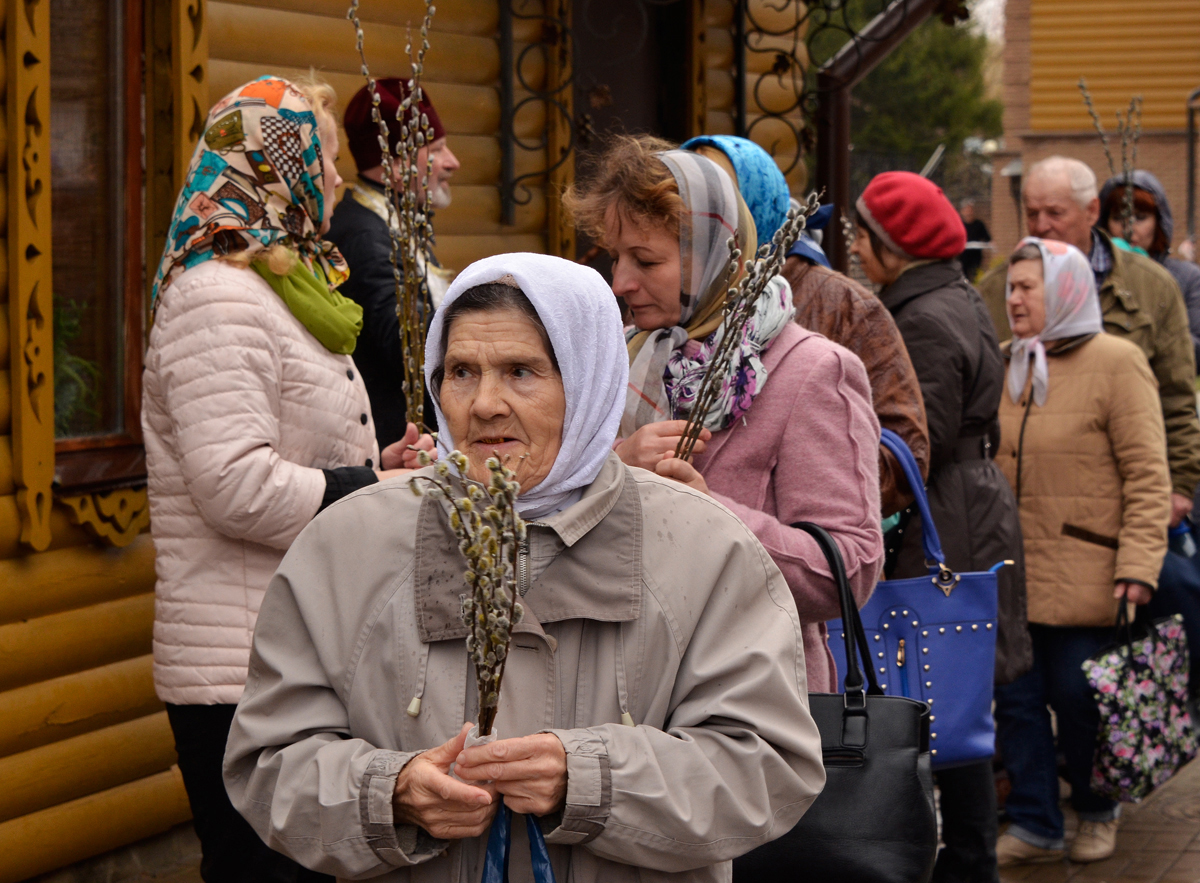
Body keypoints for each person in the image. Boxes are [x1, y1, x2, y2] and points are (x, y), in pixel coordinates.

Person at [223, 252, 827, 882]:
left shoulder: (703, 550)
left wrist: (588, 778)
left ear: (591, 378)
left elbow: (768, 764)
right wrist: (388, 792)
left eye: (521, 372)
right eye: (461, 371)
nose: (484, 404)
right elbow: (270, 763)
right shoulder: (348, 546)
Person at [143, 76, 432, 883]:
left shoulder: (276, 284)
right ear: (281, 165)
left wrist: (381, 468)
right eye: (326, 159)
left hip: (291, 646)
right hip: (236, 668)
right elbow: (232, 484)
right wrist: (364, 491)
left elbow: (290, 451)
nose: (336, 182)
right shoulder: (218, 298)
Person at [565, 135, 883, 693]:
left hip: (753, 702)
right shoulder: (623, 354)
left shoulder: (812, 371)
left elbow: (850, 570)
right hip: (619, 688)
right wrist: (615, 465)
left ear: (715, 254)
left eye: (646, 260)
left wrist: (709, 514)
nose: (620, 282)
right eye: (615, 257)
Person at [851, 170, 1029, 883]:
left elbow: (915, 441)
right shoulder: (956, 295)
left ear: (893, 247)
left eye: (862, 237)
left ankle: (967, 863)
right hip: (974, 499)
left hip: (947, 513)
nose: (855, 250)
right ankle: (971, 857)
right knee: (960, 695)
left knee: (943, 694)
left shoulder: (918, 318)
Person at [993, 238, 1170, 866]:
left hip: (1089, 573)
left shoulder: (1118, 361)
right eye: (1010, 287)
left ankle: (1098, 807)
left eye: (1026, 288)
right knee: (1015, 701)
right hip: (1013, 574)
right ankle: (1037, 822)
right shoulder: (1009, 362)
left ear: (1065, 291)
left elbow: (1149, 474)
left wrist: (1138, 567)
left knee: (1081, 697)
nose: (1012, 298)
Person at [679, 136, 931, 517]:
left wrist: (788, 476)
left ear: (754, 202)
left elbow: (905, 453)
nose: (698, 214)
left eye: (718, 196)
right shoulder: (670, 300)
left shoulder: (846, 306)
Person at [977, 157, 1200, 529]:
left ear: (1091, 210)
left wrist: (1179, 487)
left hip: (1125, 496)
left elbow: (1177, 399)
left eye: (1055, 212)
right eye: (1032, 213)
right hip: (1026, 502)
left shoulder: (1152, 286)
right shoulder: (996, 291)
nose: (1041, 225)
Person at [327, 78, 461, 448]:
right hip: (394, 445)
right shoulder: (367, 238)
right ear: (396, 165)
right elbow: (411, 349)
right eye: (436, 149)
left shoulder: (392, 223)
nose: (453, 162)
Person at [1099, 170, 1200, 370]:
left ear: (1158, 221)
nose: (1129, 227)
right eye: (1119, 218)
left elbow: (1196, 352)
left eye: (1141, 217)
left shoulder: (1187, 277)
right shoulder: (1093, 275)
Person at [958, 199, 992, 282]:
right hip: (963, 257)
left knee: (975, 275)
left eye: (970, 210)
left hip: (976, 257)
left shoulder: (979, 224)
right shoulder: (960, 225)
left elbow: (987, 238)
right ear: (962, 212)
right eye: (966, 210)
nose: (969, 213)